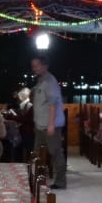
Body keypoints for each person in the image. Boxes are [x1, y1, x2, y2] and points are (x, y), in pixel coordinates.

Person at [31, 54, 66, 188]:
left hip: (50, 125)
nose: (34, 68)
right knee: (37, 152)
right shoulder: (40, 81)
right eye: (33, 66)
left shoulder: (50, 81)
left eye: (37, 66)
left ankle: (60, 182)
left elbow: (53, 104)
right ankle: (37, 177)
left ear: (45, 66)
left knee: (55, 152)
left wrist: (51, 125)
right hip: (41, 125)